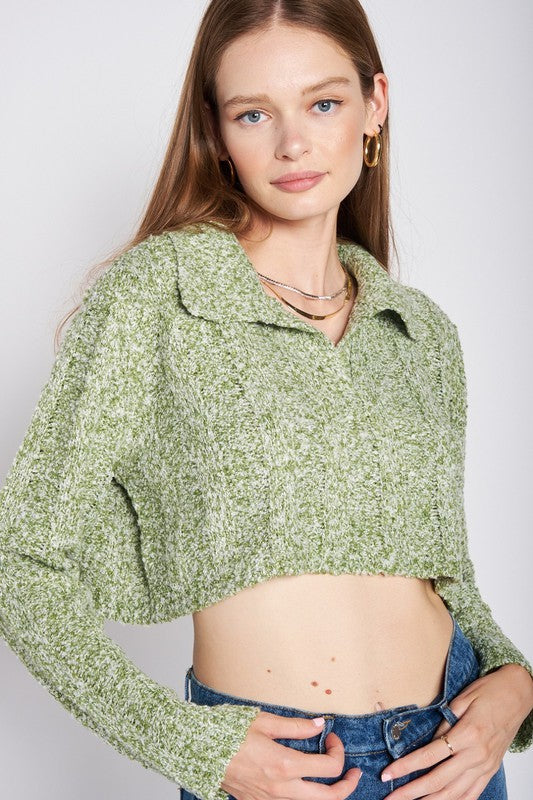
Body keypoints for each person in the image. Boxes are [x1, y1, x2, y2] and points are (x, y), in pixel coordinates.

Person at [0, 2, 532, 800]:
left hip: (450, 759)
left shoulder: (419, 332)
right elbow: (22, 560)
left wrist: (515, 686)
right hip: (282, 771)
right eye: (254, 114)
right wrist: (190, 744)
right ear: (216, 132)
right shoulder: (158, 296)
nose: (292, 143)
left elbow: (444, 576)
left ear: (374, 106)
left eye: (323, 103)